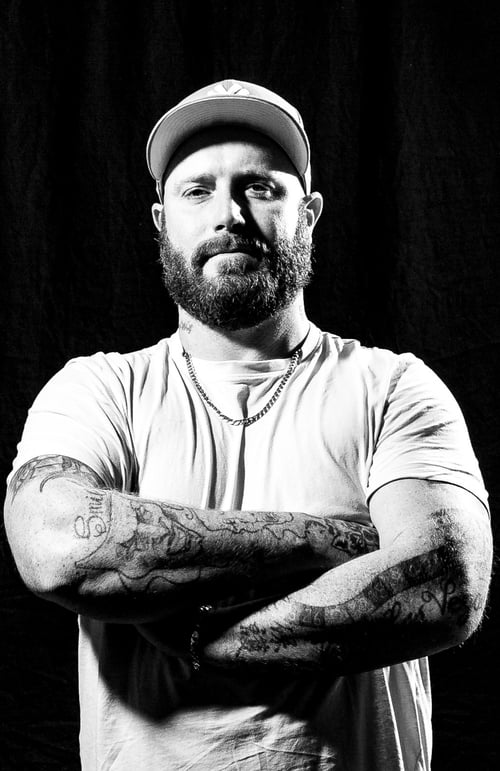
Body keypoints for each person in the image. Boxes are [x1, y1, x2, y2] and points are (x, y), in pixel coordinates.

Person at [4, 79, 492, 771]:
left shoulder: (392, 387)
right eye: (197, 191)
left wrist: (206, 640)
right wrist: (340, 540)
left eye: (259, 187)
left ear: (309, 215)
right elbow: (59, 547)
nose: (229, 214)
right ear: (161, 221)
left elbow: (444, 586)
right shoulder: (99, 390)